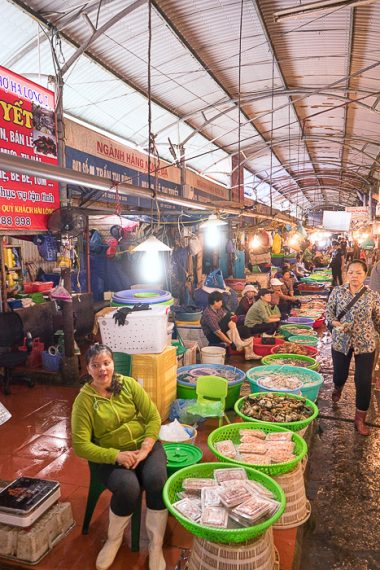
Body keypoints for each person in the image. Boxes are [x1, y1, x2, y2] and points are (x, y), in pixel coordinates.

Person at [71, 344, 168, 570]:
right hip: (110, 456)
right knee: (128, 488)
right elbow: (81, 446)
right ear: (88, 368)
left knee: (156, 481)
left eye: (106, 363)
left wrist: (145, 447)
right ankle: (114, 540)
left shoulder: (128, 385)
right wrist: (116, 455)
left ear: (113, 363)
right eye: (96, 365)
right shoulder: (84, 401)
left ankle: (156, 545)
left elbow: (153, 417)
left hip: (144, 446)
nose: (102, 370)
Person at [326, 260, 380, 436]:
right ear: (346, 274)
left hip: (365, 342)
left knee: (363, 381)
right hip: (341, 341)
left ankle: (360, 419)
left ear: (365, 275)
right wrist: (336, 323)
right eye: (351, 272)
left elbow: (378, 320)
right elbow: (329, 314)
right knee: (340, 374)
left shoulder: (373, 296)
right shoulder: (337, 292)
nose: (354, 276)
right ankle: (338, 387)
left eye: (358, 273)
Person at [200, 291, 260, 360]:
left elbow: (227, 318)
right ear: (215, 302)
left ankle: (249, 354)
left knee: (244, 329)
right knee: (229, 316)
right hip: (213, 336)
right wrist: (230, 343)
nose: (221, 303)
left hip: (222, 330)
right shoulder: (209, 314)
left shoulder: (218, 309)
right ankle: (238, 343)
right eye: (220, 301)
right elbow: (218, 332)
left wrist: (234, 317)